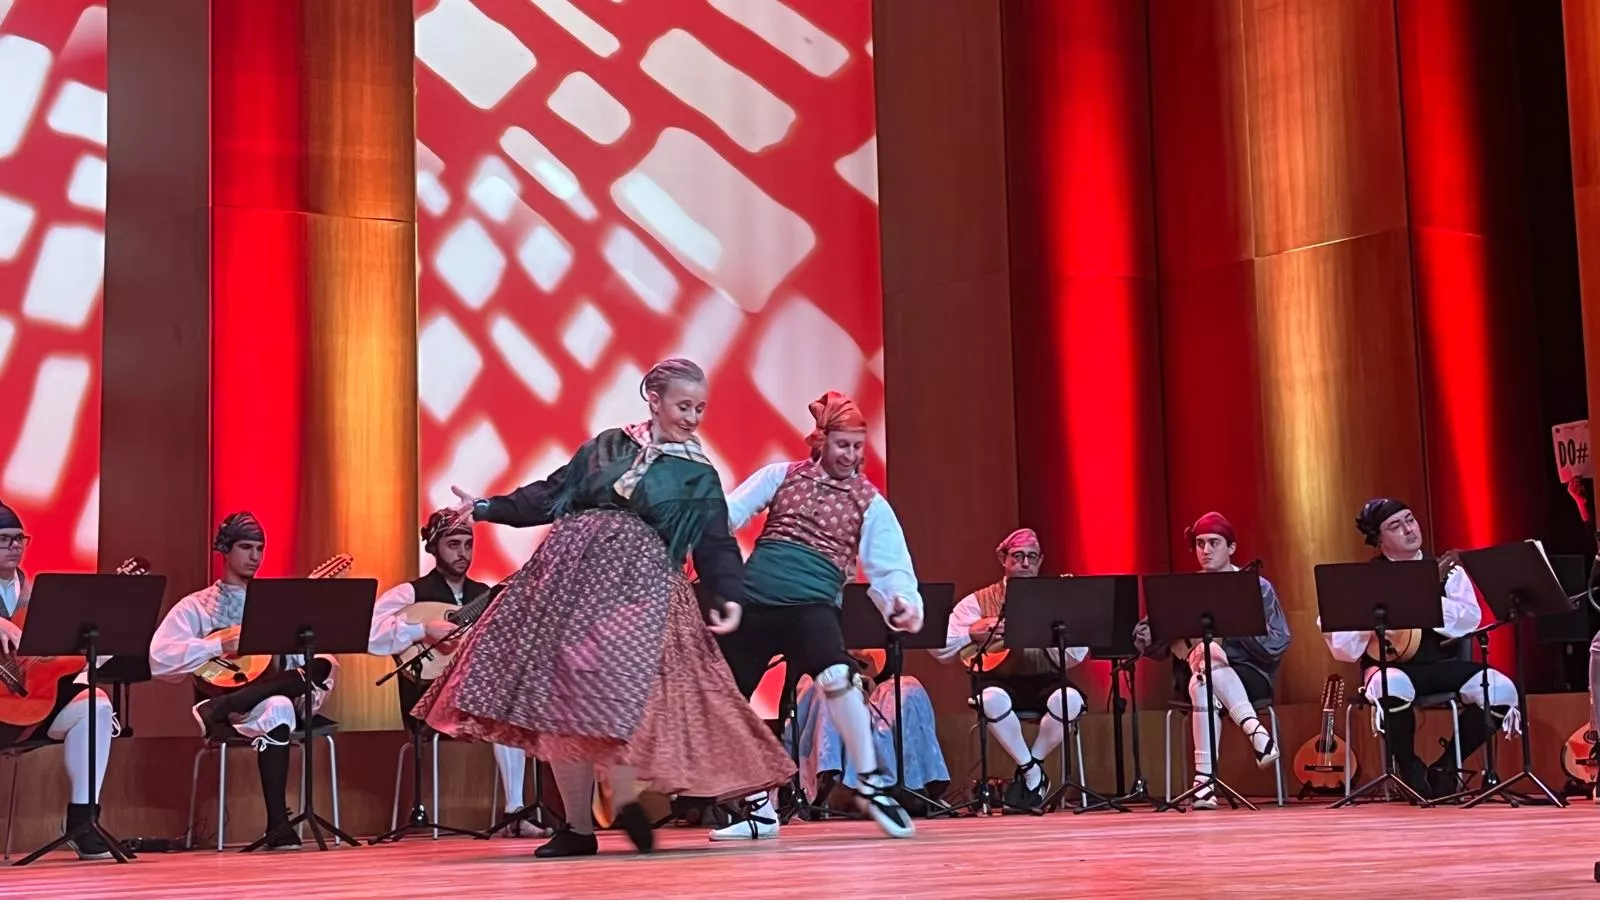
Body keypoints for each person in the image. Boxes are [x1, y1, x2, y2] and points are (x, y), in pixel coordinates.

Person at [415, 358, 794, 858]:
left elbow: (716, 543)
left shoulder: (697, 472)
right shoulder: (606, 446)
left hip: (642, 590)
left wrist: (728, 595)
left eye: (700, 408)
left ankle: (628, 795)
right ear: (653, 400)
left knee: (620, 685)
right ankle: (577, 827)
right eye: (684, 405)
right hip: (570, 581)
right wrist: (489, 507)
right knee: (560, 698)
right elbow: (551, 495)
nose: (692, 417)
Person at [710, 390, 924, 841]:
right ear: (821, 442)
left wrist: (902, 602)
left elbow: (891, 566)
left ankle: (871, 783)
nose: (850, 455)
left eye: (857, 447)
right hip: (755, 602)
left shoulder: (870, 502)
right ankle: (758, 810)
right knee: (721, 700)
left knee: (836, 677)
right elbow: (727, 515)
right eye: (842, 444)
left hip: (812, 607)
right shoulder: (781, 476)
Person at [149, 512, 339, 850]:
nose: (255, 556)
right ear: (225, 549)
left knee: (319, 667)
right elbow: (159, 658)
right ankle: (279, 824)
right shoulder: (197, 606)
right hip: (229, 692)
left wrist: (299, 641)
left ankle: (222, 710)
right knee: (280, 702)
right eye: (246, 547)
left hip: (261, 701)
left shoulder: (274, 603)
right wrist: (217, 645)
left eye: (260, 548)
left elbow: (292, 662)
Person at [1322, 498, 1519, 798]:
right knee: (1393, 684)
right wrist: (1369, 618)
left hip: (1440, 666)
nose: (1409, 529)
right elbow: (1342, 648)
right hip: (1390, 668)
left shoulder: (1446, 571)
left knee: (1501, 689)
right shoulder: (1363, 580)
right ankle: (1409, 767)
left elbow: (1470, 620)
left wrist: (1421, 598)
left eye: (1410, 520)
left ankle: (1446, 767)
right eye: (1395, 526)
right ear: (1378, 539)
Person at [367, 508, 542, 835]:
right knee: (500, 704)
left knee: (509, 703)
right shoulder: (410, 594)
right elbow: (369, 634)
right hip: (426, 702)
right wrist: (421, 630)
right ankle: (515, 815)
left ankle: (514, 813)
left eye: (467, 544)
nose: (462, 553)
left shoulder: (486, 596)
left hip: (476, 700)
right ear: (433, 548)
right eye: (452, 544)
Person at [1132, 512, 1289, 809]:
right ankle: (1256, 732)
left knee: (1206, 669)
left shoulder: (1256, 587)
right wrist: (1175, 626)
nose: (1205, 550)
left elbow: (1278, 641)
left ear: (1231, 548)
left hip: (1249, 675)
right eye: (1200, 544)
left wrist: (1235, 622)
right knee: (1204, 666)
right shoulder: (1186, 590)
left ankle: (1203, 783)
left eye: (1214, 543)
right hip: (1193, 677)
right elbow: (1143, 636)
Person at [933, 528, 1087, 810]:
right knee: (990, 699)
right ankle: (1032, 772)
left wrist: (1049, 633)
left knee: (1071, 701)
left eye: (1031, 557)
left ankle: (1032, 769)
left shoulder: (1057, 598)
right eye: (1018, 556)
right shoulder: (977, 601)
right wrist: (972, 632)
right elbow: (940, 648)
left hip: (1045, 679)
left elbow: (1077, 655)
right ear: (1003, 559)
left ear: (1040, 560)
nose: (1025, 563)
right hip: (997, 680)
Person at [0, 501, 119, 860]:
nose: (16, 546)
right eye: (5, 539)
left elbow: (62, 660)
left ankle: (83, 820)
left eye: (20, 538)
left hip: (33, 705)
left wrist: (97, 641)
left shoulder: (41, 595)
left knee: (96, 705)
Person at [787, 650, 948, 813]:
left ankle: (914, 787)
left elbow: (881, 664)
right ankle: (823, 786)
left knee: (909, 685)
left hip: (872, 691)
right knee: (831, 684)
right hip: (829, 679)